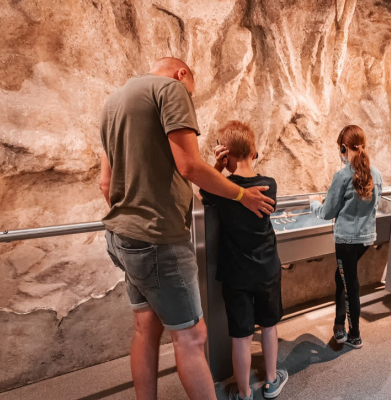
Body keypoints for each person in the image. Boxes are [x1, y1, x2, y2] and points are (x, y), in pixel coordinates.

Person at [98, 57, 275, 400]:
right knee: (192, 337)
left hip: (122, 237)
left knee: (145, 329)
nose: (188, 97)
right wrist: (241, 194)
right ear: (182, 75)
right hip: (158, 239)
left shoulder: (112, 102)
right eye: (191, 92)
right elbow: (189, 165)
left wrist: (133, 220)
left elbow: (105, 183)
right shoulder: (171, 89)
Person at [199, 121, 288, 400]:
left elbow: (203, 191)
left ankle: (244, 392)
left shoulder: (224, 189)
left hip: (236, 273)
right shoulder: (269, 185)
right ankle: (272, 381)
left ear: (226, 155)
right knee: (269, 325)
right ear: (254, 151)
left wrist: (217, 167)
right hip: (266, 269)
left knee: (241, 336)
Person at [309, 125, 383, 350]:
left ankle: (354, 335)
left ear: (343, 148)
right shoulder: (376, 174)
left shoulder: (342, 176)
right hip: (365, 240)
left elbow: (327, 212)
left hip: (346, 242)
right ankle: (339, 325)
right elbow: (374, 204)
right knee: (342, 278)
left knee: (349, 284)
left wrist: (314, 202)